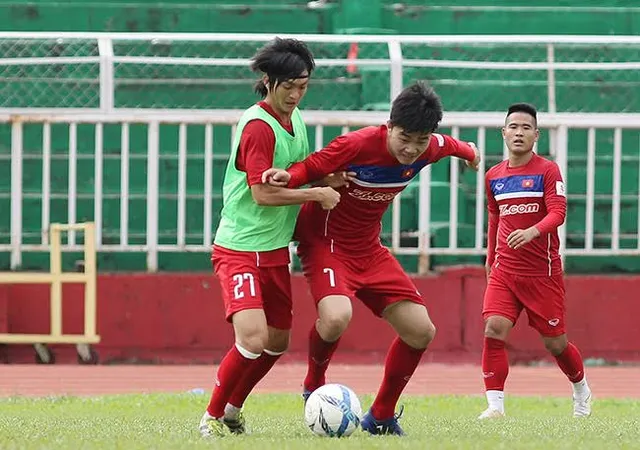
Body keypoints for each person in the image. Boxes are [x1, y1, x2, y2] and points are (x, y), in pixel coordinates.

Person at [263, 81, 481, 435]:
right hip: (326, 244)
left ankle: (380, 416)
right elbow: (313, 165)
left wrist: (471, 154)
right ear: (389, 126)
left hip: (370, 249)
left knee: (421, 331)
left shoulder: (430, 146)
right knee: (336, 318)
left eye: (420, 140)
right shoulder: (356, 144)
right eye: (404, 137)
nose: (411, 149)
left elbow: (453, 145)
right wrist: (290, 177)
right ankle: (314, 383)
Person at [199, 37, 341, 438]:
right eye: (289, 86)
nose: (296, 94)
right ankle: (210, 419)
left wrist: (326, 177)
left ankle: (232, 409)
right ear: (268, 81)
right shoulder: (259, 126)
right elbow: (262, 192)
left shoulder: (295, 119)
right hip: (240, 248)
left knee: (277, 342)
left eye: (303, 85)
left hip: (275, 250)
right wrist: (315, 193)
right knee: (253, 337)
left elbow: (296, 169)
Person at [479, 103, 592, 419]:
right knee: (494, 328)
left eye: (525, 128)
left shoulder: (547, 170)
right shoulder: (493, 176)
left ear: (536, 135)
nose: (518, 132)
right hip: (504, 271)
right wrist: (490, 258)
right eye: (513, 127)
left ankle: (581, 389)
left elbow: (558, 211)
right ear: (504, 133)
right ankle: (495, 407)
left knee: (556, 344)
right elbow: (494, 218)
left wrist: (532, 231)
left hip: (542, 274)